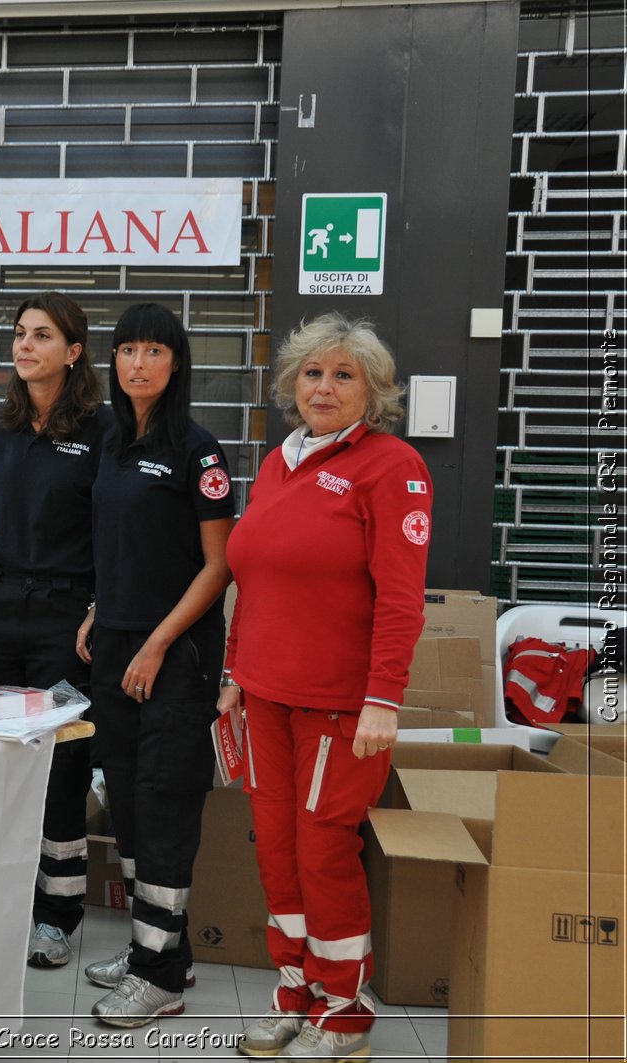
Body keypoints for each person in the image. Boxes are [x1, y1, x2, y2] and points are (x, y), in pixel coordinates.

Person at [217, 312, 432, 1060]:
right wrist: (235, 671)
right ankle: (297, 993)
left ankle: (344, 1011)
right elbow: (252, 573)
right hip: (265, 696)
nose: (325, 386)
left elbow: (403, 599)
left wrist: (384, 698)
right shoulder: (279, 461)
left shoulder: (392, 465)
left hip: (341, 706)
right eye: (313, 372)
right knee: (277, 849)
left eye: (345, 375)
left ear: (374, 392)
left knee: (324, 854)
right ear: (291, 383)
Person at [74, 303, 235, 1027]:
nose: (138, 363)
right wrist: (98, 611)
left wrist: (155, 643)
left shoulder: (198, 451)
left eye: (155, 350)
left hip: (175, 655)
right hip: (117, 643)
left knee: (165, 804)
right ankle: (154, 950)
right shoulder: (110, 440)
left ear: (177, 364)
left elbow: (218, 566)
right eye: (127, 349)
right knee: (131, 802)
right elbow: (120, 544)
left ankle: (160, 974)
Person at [0, 291, 110, 969]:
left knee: (61, 760)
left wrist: (101, 604)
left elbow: (116, 525)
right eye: (19, 334)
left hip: (64, 615)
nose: (25, 345)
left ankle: (56, 914)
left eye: (41, 335)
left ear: (72, 352)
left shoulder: (105, 431)